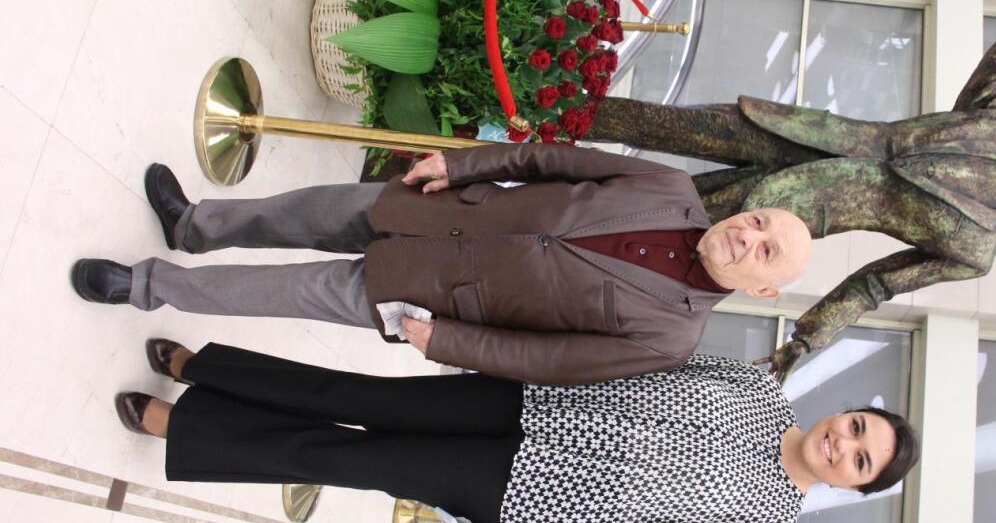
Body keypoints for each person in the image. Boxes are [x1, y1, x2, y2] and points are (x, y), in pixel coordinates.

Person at [585, 0, 996, 377]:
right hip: (796, 132)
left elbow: (875, 285)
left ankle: (540, 195)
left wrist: (807, 340)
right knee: (654, 124)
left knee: (632, 210)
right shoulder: (992, 125)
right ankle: (550, 108)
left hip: (783, 214)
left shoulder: (973, 250)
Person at [115, 340, 919, 523]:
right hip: (528, 403)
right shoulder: (756, 386)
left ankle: (182, 427)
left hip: (528, 493)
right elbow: (645, 358)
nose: (842, 443)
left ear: (852, 486)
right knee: (363, 395)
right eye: (857, 427)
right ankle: (207, 369)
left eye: (858, 460)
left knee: (354, 458)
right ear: (845, 409)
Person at [71, 144, 811, 383]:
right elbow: (551, 159)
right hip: (442, 208)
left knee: (281, 290)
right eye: (758, 221)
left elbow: (548, 360)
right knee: (298, 210)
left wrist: (448, 343)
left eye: (765, 250)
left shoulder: (671, 336)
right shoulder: (672, 187)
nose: (748, 236)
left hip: (436, 298)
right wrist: (462, 166)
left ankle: (143, 286)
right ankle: (192, 224)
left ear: (764, 287)